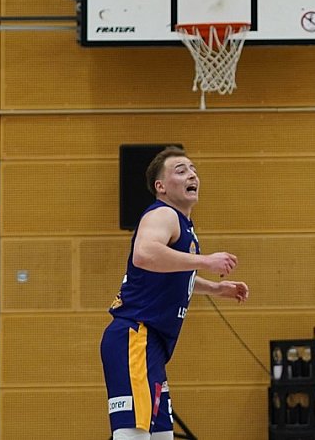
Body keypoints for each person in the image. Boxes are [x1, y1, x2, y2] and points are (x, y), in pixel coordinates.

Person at [100, 145, 248, 440]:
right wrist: (206, 261)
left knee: (162, 436)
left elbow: (171, 274)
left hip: (152, 344)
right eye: (181, 171)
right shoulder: (163, 214)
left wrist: (215, 288)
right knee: (134, 435)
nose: (192, 174)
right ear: (161, 186)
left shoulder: (183, 225)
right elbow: (144, 254)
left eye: (193, 169)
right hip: (135, 335)